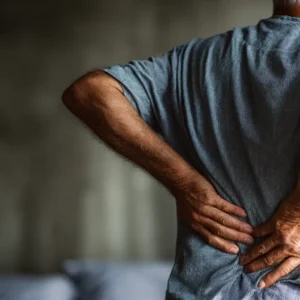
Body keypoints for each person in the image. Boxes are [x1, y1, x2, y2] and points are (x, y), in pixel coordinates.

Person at [62, 0, 300, 299]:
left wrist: (185, 184)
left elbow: (90, 92)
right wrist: (295, 216)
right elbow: (86, 93)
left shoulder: (198, 59)